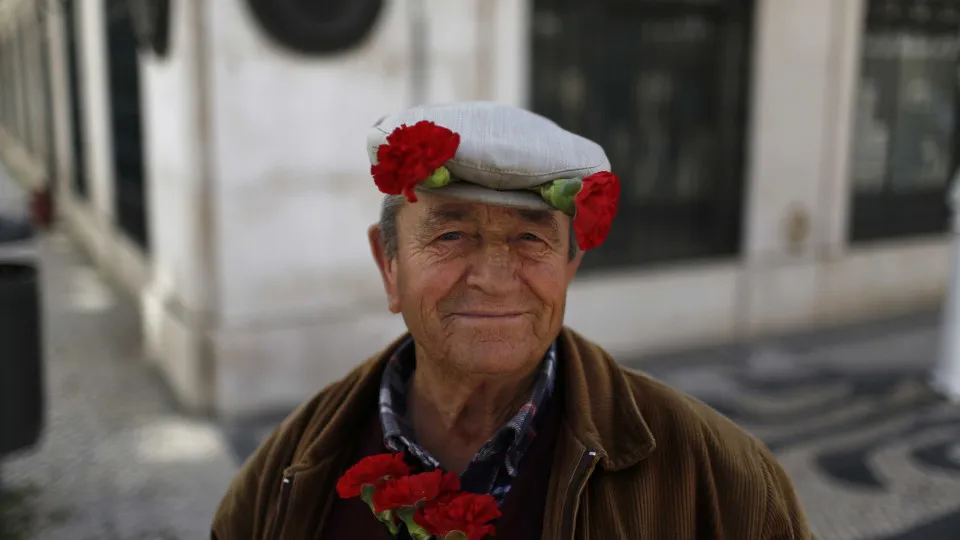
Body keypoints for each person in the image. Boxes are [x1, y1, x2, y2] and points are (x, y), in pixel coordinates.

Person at [211, 102, 812, 540]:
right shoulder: (294, 465)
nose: (495, 278)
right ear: (389, 266)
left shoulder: (721, 480)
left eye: (531, 239)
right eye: (450, 234)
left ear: (570, 265)